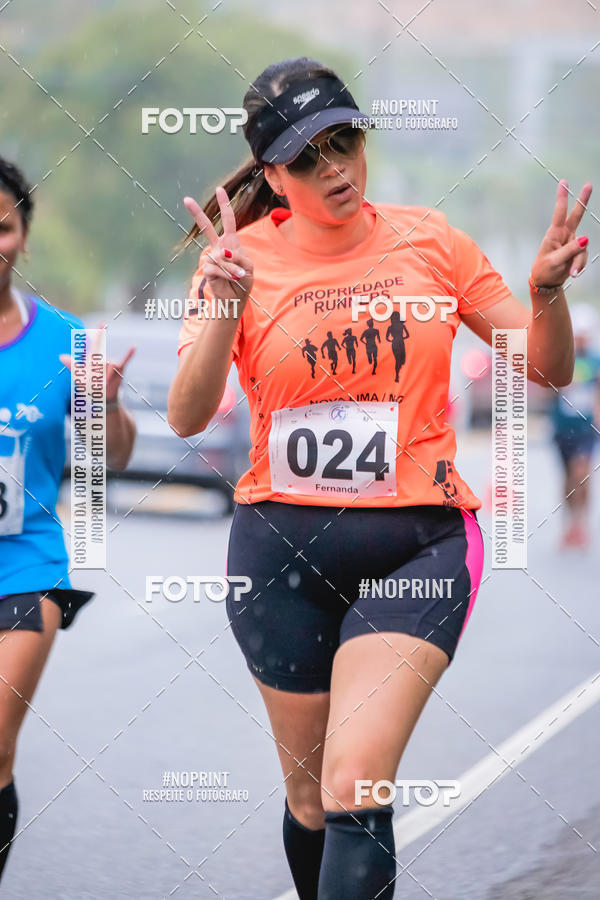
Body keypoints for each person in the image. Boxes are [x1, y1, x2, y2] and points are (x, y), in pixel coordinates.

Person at [168, 57, 591, 899]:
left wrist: (545, 295)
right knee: (310, 796)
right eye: (307, 157)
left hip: (419, 544)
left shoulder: (431, 242)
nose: (334, 169)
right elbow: (187, 416)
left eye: (344, 142)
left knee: (356, 784)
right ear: (273, 176)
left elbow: (549, 369)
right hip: (278, 554)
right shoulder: (235, 262)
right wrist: (220, 308)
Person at [0, 157, 137, 881]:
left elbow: (110, 458)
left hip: (27, 566)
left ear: (23, 236)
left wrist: (105, 403)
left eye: (3, 226)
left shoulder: (65, 342)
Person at [550, 303, 600, 549]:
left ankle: (581, 524)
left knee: (582, 472)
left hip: (586, 427)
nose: (580, 339)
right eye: (576, 335)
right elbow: (545, 388)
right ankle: (570, 523)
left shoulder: (596, 360)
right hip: (562, 426)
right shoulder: (561, 358)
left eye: (583, 335)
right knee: (569, 477)